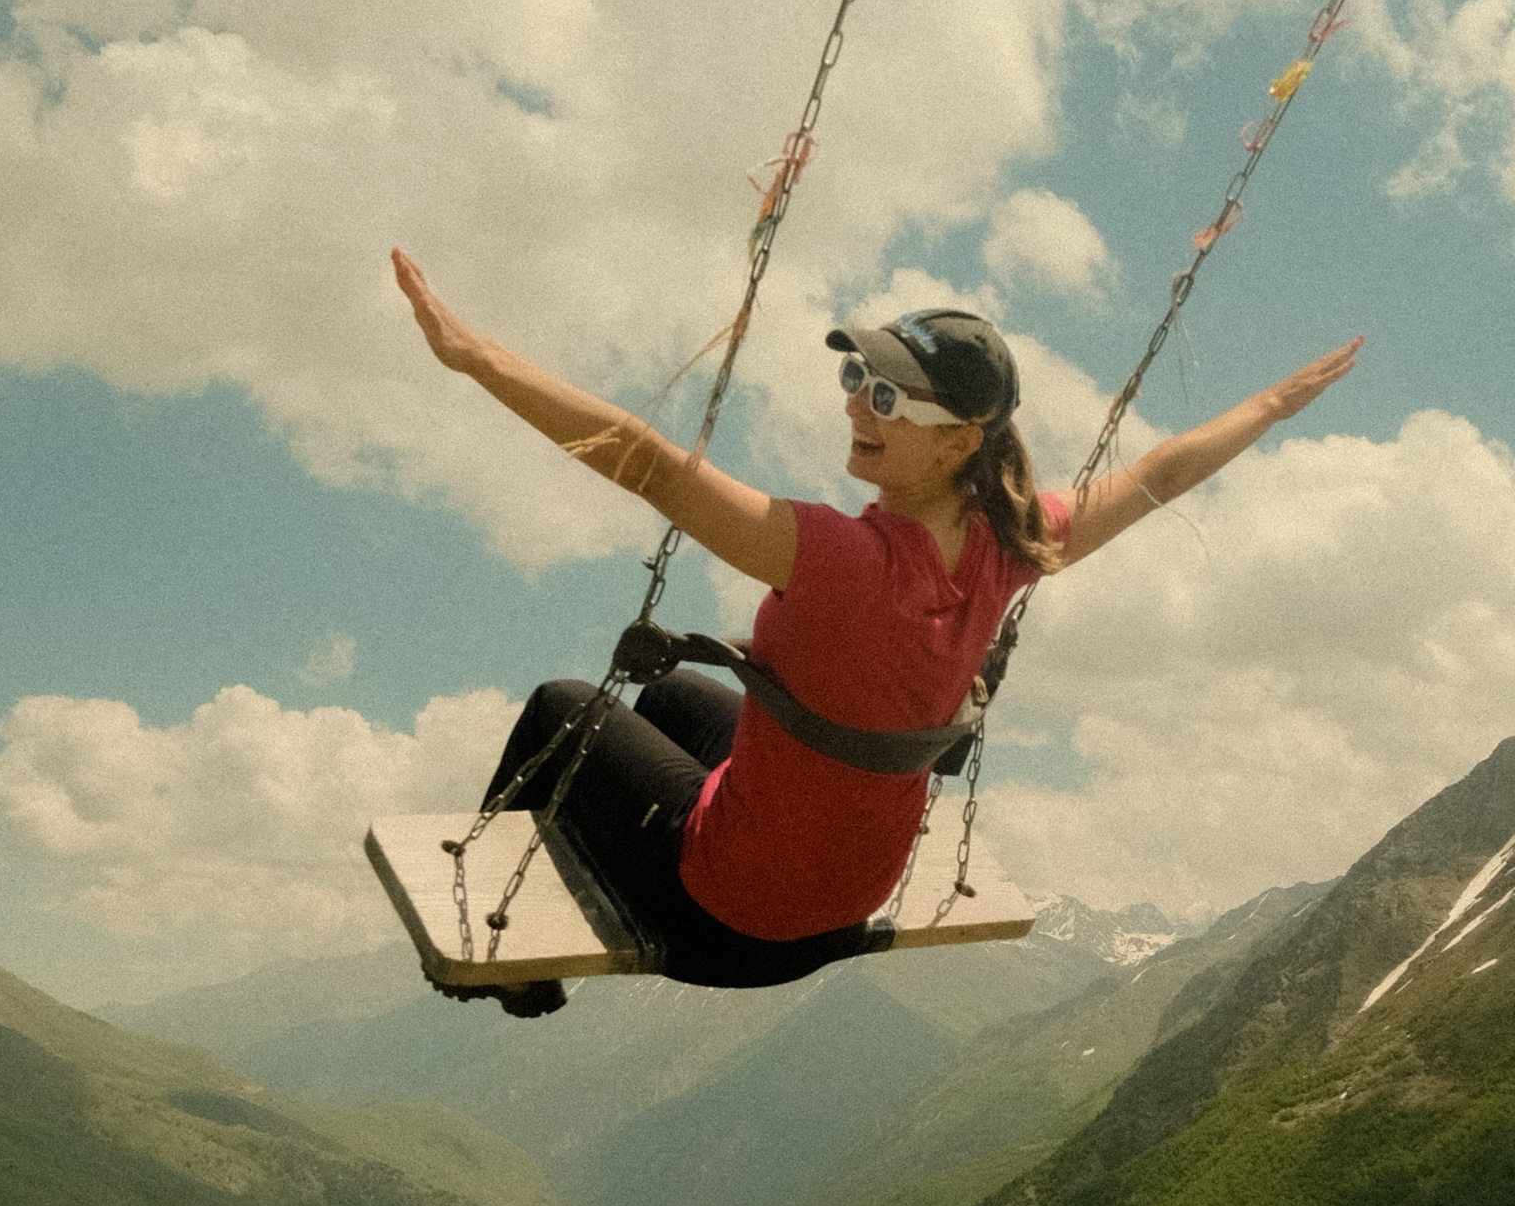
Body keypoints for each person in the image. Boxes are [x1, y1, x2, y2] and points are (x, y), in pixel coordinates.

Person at [391, 248, 1360, 1012]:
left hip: (729, 928)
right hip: (850, 908)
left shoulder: (836, 558)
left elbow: (645, 463)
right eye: (858, 376)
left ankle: (513, 975)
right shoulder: (1015, 542)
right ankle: (651, 849)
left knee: (560, 706)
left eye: (889, 396)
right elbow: (1154, 476)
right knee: (674, 695)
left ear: (959, 441)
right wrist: (1273, 406)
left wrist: (478, 358)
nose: (857, 400)